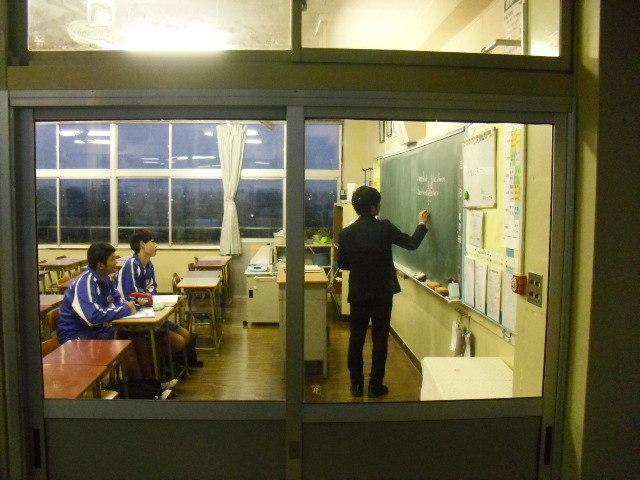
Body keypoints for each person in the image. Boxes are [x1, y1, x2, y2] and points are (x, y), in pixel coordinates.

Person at [338, 185, 430, 398]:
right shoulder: (384, 228)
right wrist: (422, 224)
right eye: (378, 203)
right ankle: (375, 385)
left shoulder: (346, 233)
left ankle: (356, 385)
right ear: (373, 207)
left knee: (356, 339)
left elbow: (343, 264)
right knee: (380, 339)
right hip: (382, 292)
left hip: (359, 291)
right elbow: (411, 243)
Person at [56, 242, 153, 381]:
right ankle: (140, 389)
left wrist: (134, 304)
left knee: (137, 335)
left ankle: (151, 384)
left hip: (96, 330)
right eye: (112, 259)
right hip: (76, 336)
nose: (116, 262)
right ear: (101, 265)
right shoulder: (85, 283)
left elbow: (118, 301)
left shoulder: (105, 279)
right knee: (125, 346)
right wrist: (126, 309)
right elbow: (93, 316)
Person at [116, 229, 197, 368]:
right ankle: (149, 362)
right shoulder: (132, 265)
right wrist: (150, 300)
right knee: (178, 342)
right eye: (152, 241)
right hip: (135, 318)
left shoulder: (149, 265)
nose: (156, 245)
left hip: (150, 311)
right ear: (142, 244)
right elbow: (133, 296)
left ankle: (157, 363)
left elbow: (152, 289)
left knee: (186, 335)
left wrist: (155, 300)